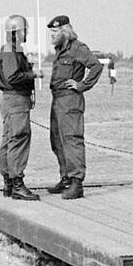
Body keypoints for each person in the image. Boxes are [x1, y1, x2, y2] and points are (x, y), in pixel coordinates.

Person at [45, 15, 102, 200]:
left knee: (71, 140)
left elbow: (96, 66)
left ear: (64, 30)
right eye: (50, 32)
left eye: (54, 31)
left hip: (70, 100)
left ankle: (77, 183)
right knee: (57, 141)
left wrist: (82, 85)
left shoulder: (77, 48)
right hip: (58, 100)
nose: (51, 35)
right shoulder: (60, 49)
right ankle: (66, 178)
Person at [0, 15, 39, 200]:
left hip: (11, 100)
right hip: (16, 101)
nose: (26, 33)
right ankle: (17, 184)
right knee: (19, 139)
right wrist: (33, 74)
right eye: (25, 30)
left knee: (9, 140)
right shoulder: (11, 51)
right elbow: (13, 77)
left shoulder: (10, 50)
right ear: (18, 32)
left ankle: (8, 183)